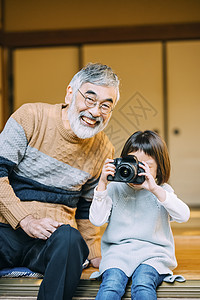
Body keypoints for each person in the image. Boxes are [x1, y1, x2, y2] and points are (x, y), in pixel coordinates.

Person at [0, 63, 120, 300]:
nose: (96, 111)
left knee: (70, 240)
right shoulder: (31, 116)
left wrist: (95, 252)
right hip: (6, 229)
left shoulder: (104, 147)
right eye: (89, 99)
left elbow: (86, 208)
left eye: (106, 106)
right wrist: (25, 220)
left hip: (51, 239)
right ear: (70, 93)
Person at [89, 130, 190, 300]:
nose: (136, 170)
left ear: (159, 168)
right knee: (111, 285)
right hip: (118, 253)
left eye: (146, 166)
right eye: (132, 163)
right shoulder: (114, 188)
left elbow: (183, 216)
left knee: (143, 283)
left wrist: (155, 190)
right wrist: (102, 185)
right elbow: (97, 220)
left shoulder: (162, 191)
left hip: (154, 254)